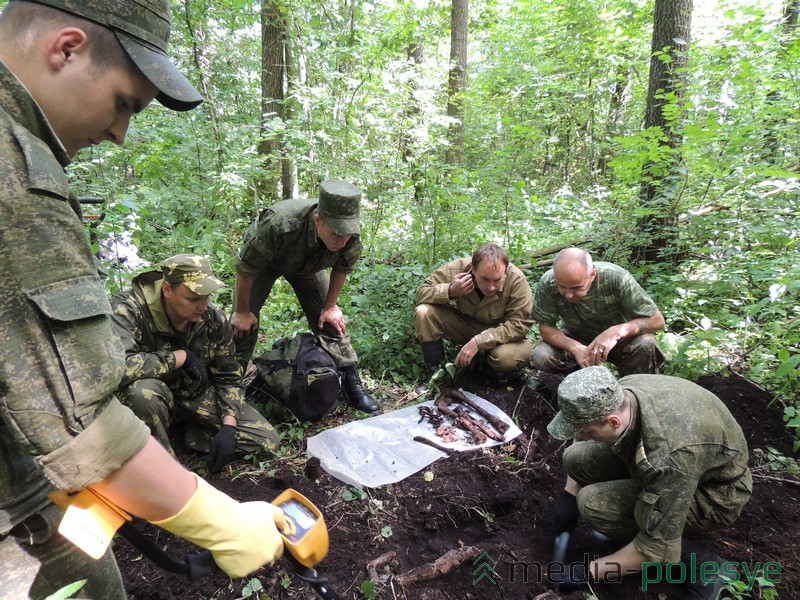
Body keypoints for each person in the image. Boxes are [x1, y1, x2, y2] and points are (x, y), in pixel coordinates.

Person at [0, 2, 287, 598]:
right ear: (68, 48)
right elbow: (79, 424)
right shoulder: (17, 179)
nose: (119, 132)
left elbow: (229, 368)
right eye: (124, 102)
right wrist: (227, 524)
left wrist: (228, 413)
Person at [548, 366, 752, 599]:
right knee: (577, 458)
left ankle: (707, 567)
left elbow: (654, 548)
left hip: (715, 494)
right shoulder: (621, 390)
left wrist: (586, 572)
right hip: (678, 463)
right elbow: (584, 427)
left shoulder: (669, 457)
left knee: (596, 505)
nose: (583, 437)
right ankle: (630, 526)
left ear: (613, 422)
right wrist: (569, 493)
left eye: (587, 432)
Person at [111, 254, 280, 474]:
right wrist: (177, 358)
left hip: (194, 396)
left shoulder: (212, 318)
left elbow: (229, 376)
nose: (202, 305)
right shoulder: (129, 311)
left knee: (266, 441)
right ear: (167, 289)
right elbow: (117, 369)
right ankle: (162, 469)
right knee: (142, 394)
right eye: (193, 298)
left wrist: (228, 425)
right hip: (152, 397)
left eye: (207, 296)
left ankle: (180, 435)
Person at [230, 179, 380, 414]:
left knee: (331, 322)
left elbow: (343, 267)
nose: (342, 240)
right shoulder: (281, 223)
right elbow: (246, 266)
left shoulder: (350, 235)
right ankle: (230, 390)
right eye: (336, 233)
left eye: (347, 234)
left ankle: (352, 386)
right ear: (318, 220)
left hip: (309, 266)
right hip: (265, 263)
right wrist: (242, 311)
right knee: (241, 326)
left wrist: (330, 306)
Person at [531, 247, 666, 377]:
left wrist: (616, 332)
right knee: (542, 356)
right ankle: (577, 381)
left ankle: (632, 390)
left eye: (577, 288)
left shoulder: (616, 278)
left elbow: (657, 321)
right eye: (562, 287)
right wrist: (574, 347)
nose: (569, 295)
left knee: (646, 344)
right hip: (576, 337)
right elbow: (546, 328)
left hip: (620, 341)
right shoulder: (549, 281)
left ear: (592, 275)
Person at [414, 243, 533, 379]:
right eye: (485, 279)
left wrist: (479, 341)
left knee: (507, 359)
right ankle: (436, 373)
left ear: (505, 272)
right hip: (468, 327)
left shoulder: (516, 279)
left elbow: (520, 324)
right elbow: (421, 293)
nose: (490, 287)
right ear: (473, 269)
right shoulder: (458, 269)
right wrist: (451, 290)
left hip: (504, 337)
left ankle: (482, 373)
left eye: (497, 280)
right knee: (424, 312)